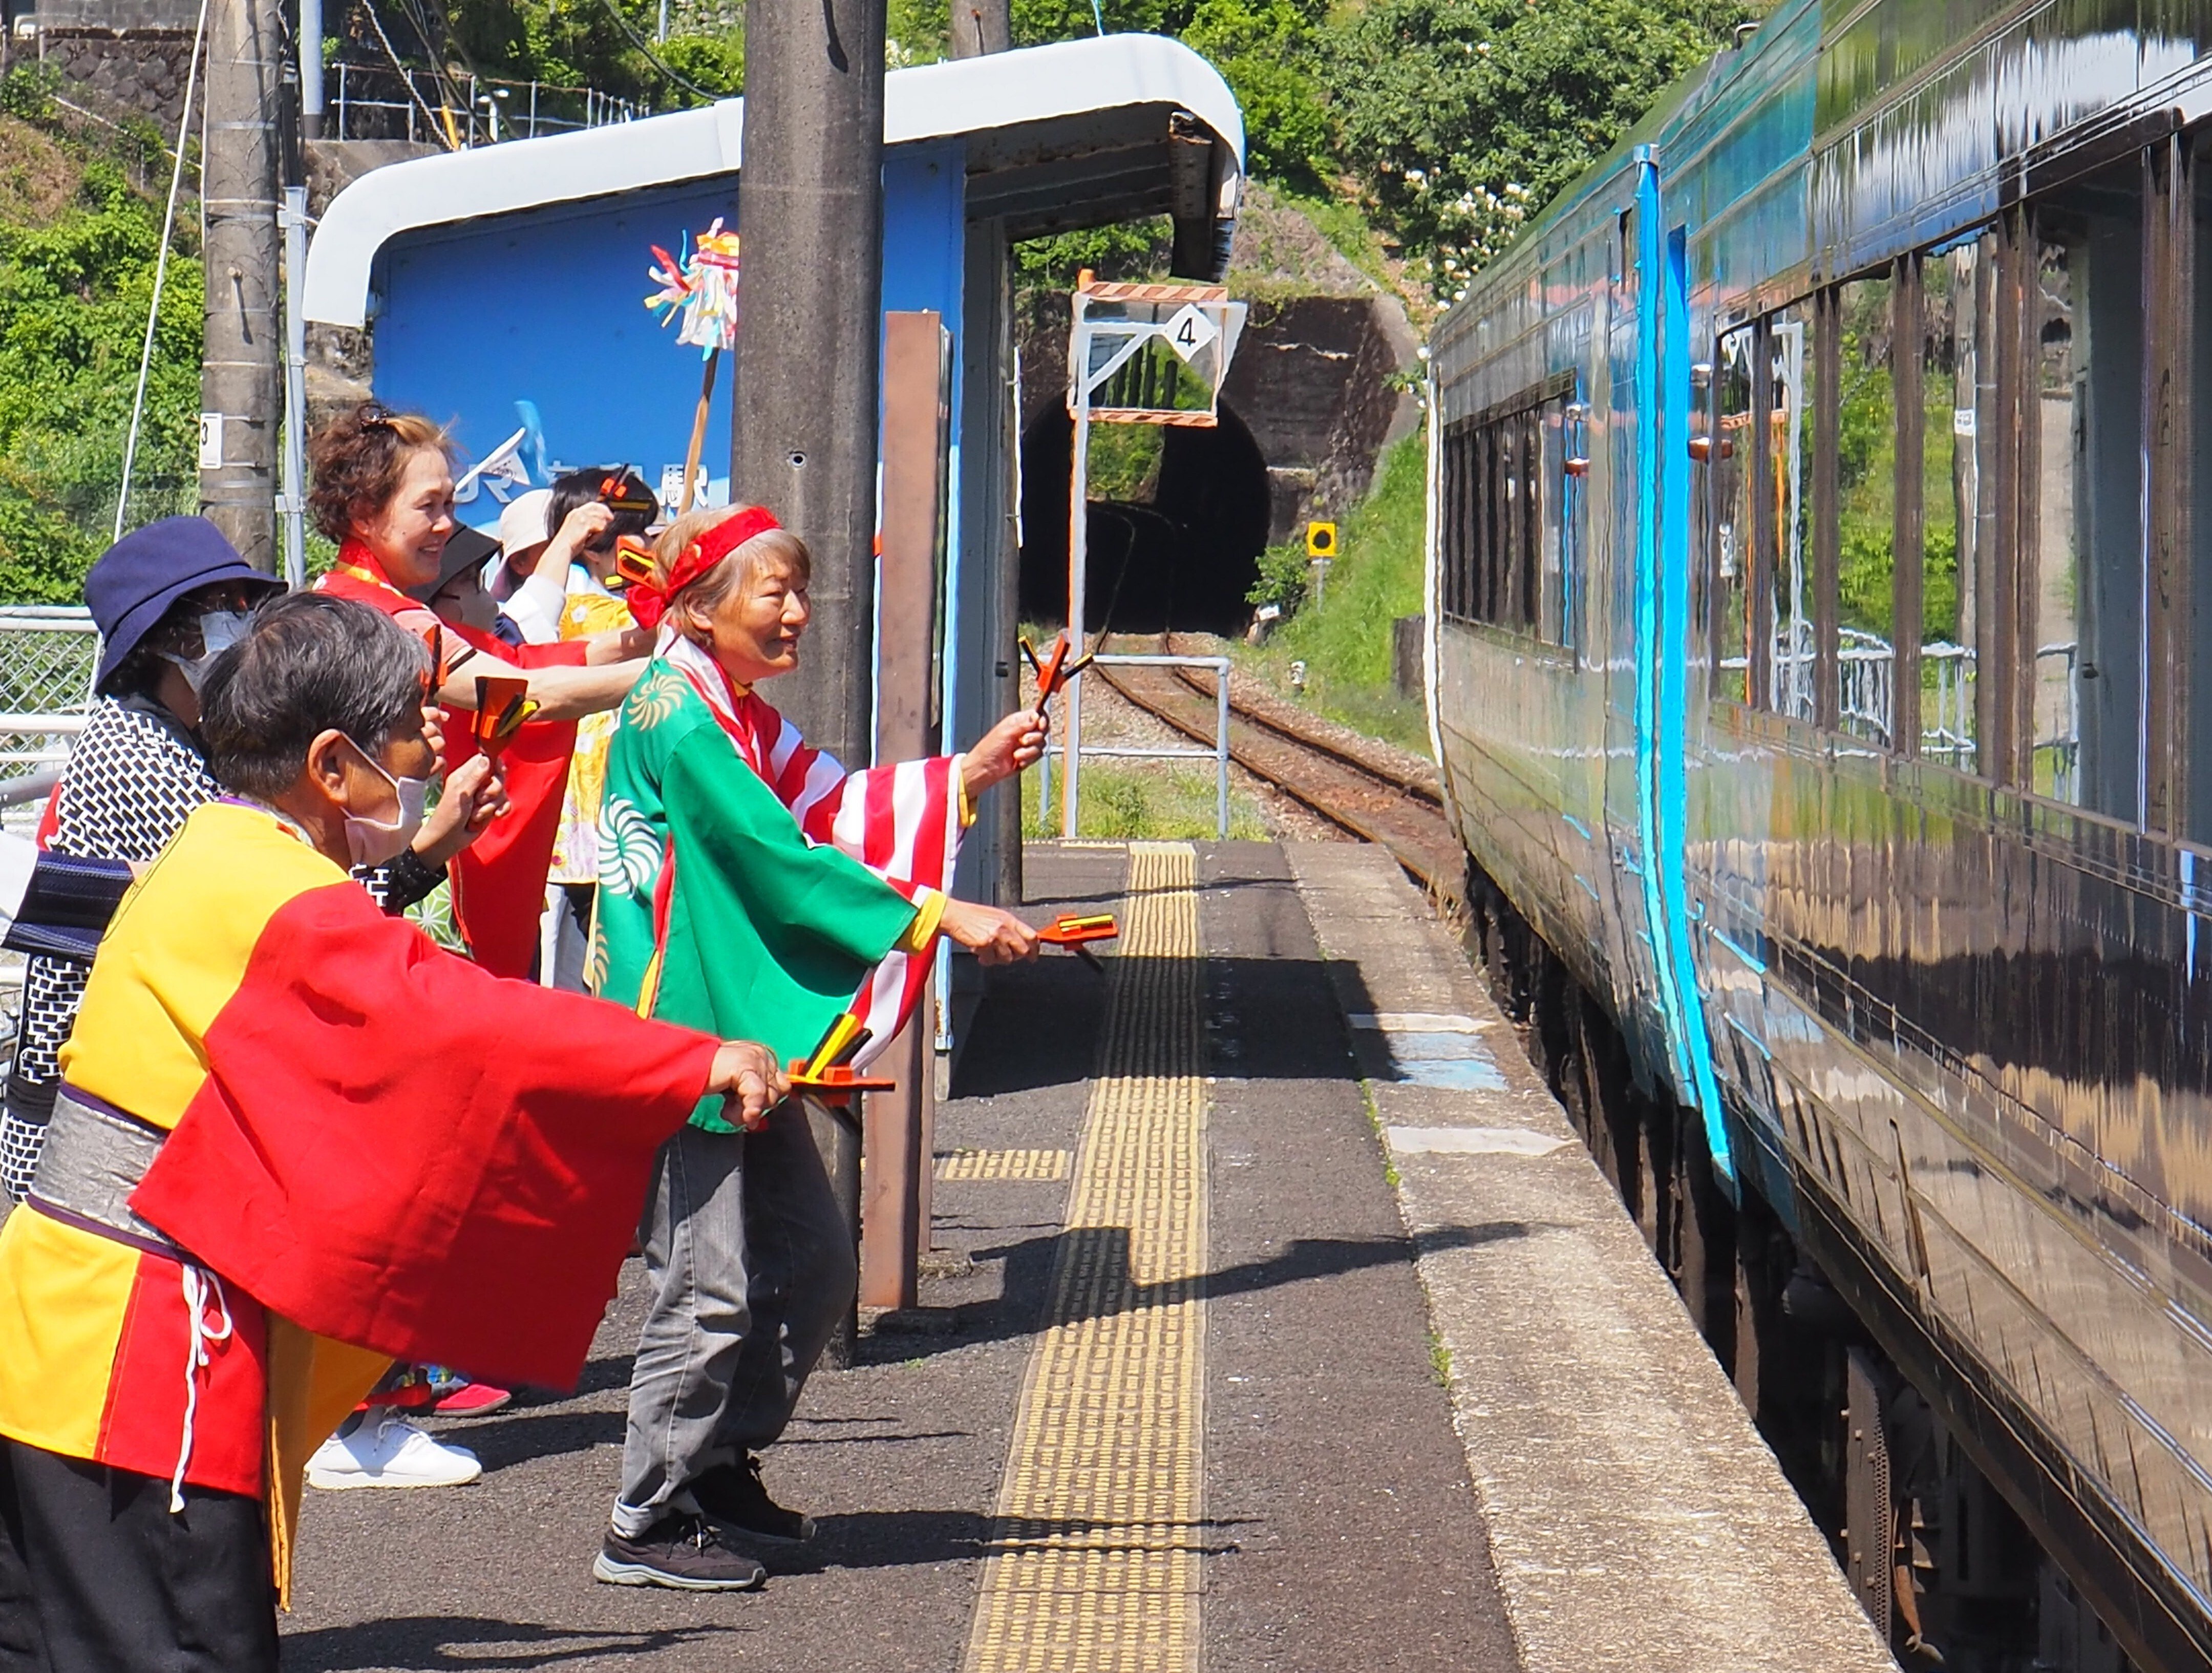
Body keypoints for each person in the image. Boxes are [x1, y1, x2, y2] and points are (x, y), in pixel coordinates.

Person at [0, 591, 785, 1673]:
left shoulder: (218, 849)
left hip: (69, 1331)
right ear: (330, 763)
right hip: (143, 1356)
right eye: (414, 722)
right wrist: (685, 1057)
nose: (430, 743)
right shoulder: (270, 885)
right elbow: (459, 1018)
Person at [589, 502, 1046, 1591]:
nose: (798, 611)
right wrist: (935, 914)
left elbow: (830, 805)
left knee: (811, 1263)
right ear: (702, 607)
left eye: (799, 587)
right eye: (774, 592)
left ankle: (716, 1463)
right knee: (704, 1286)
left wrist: (967, 775)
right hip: (683, 1029)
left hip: (728, 1026)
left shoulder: (723, 703)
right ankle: (642, 1518)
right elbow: (779, 858)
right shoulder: (685, 718)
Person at [0, 518, 491, 1205]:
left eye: (245, 604)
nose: (243, 622)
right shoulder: (137, 753)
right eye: (225, 608)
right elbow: (268, 915)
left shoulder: (190, 735)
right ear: (168, 639)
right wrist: (416, 854)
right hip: (96, 1113)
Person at [307, 403, 649, 978]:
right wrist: (677, 671)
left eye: (450, 503)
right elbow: (523, 691)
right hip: (376, 867)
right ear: (364, 514)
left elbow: (518, 658)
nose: (448, 524)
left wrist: (651, 643)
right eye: (428, 507)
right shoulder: (378, 615)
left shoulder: (355, 597)